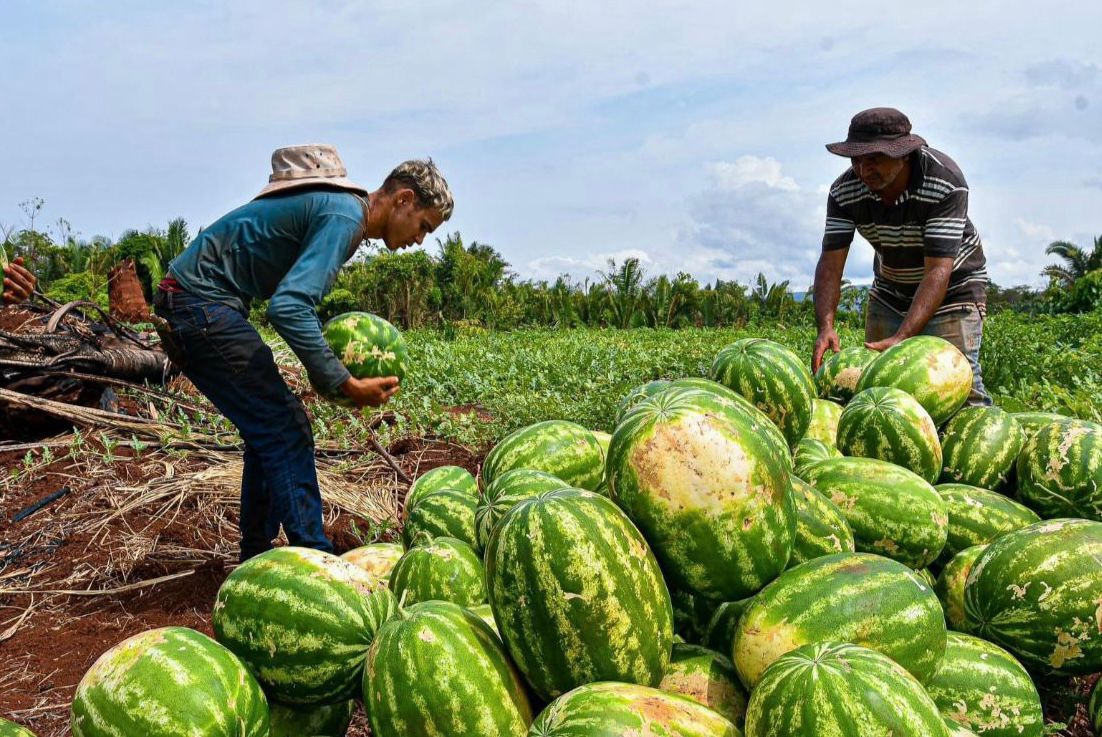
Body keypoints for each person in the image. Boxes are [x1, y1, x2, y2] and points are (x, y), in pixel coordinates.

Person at [152, 145, 453, 561]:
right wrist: (343, 381)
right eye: (423, 226)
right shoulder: (345, 217)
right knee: (285, 427)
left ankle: (255, 555)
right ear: (403, 199)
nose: (419, 240)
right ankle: (314, 557)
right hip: (198, 305)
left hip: (192, 303)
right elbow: (289, 307)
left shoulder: (341, 212)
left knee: (270, 427)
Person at [811, 107, 991, 406]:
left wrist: (903, 335)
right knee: (876, 389)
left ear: (903, 154)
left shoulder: (944, 180)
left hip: (953, 289)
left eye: (874, 159)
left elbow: (937, 271)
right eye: (856, 160)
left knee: (958, 385)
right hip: (890, 289)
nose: (863, 170)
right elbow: (830, 263)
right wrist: (825, 327)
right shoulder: (844, 192)